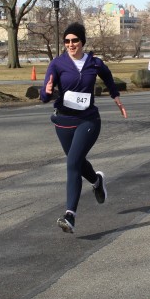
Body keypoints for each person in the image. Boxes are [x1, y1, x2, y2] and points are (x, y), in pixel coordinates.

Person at [40, 22, 127, 233]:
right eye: (67, 41)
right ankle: (96, 181)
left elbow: (108, 77)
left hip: (88, 120)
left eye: (75, 40)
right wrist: (47, 91)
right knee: (77, 162)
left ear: (82, 41)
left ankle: (70, 215)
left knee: (72, 162)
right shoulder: (57, 64)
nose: (71, 44)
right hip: (63, 121)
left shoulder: (94, 63)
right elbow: (44, 95)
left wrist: (115, 96)